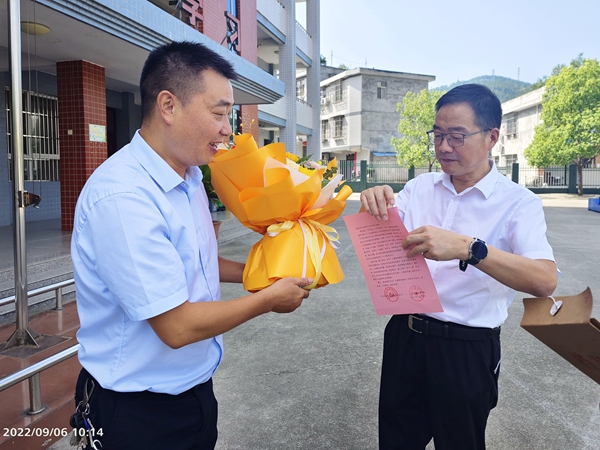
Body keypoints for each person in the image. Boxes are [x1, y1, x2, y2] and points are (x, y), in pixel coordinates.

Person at [71, 41, 311, 450]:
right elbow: (176, 326)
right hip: (135, 412)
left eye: (229, 115)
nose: (227, 129)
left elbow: (198, 262)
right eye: (218, 113)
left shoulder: (190, 178)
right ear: (168, 106)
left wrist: (262, 274)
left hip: (194, 392)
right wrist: (268, 299)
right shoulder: (124, 196)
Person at [360, 84, 558, 450]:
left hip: (466, 349)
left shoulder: (518, 203)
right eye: (437, 135)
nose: (443, 147)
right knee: (396, 441)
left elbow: (544, 280)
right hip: (405, 336)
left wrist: (468, 248)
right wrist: (373, 204)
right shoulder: (420, 187)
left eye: (456, 136)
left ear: (491, 137)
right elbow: (382, 235)